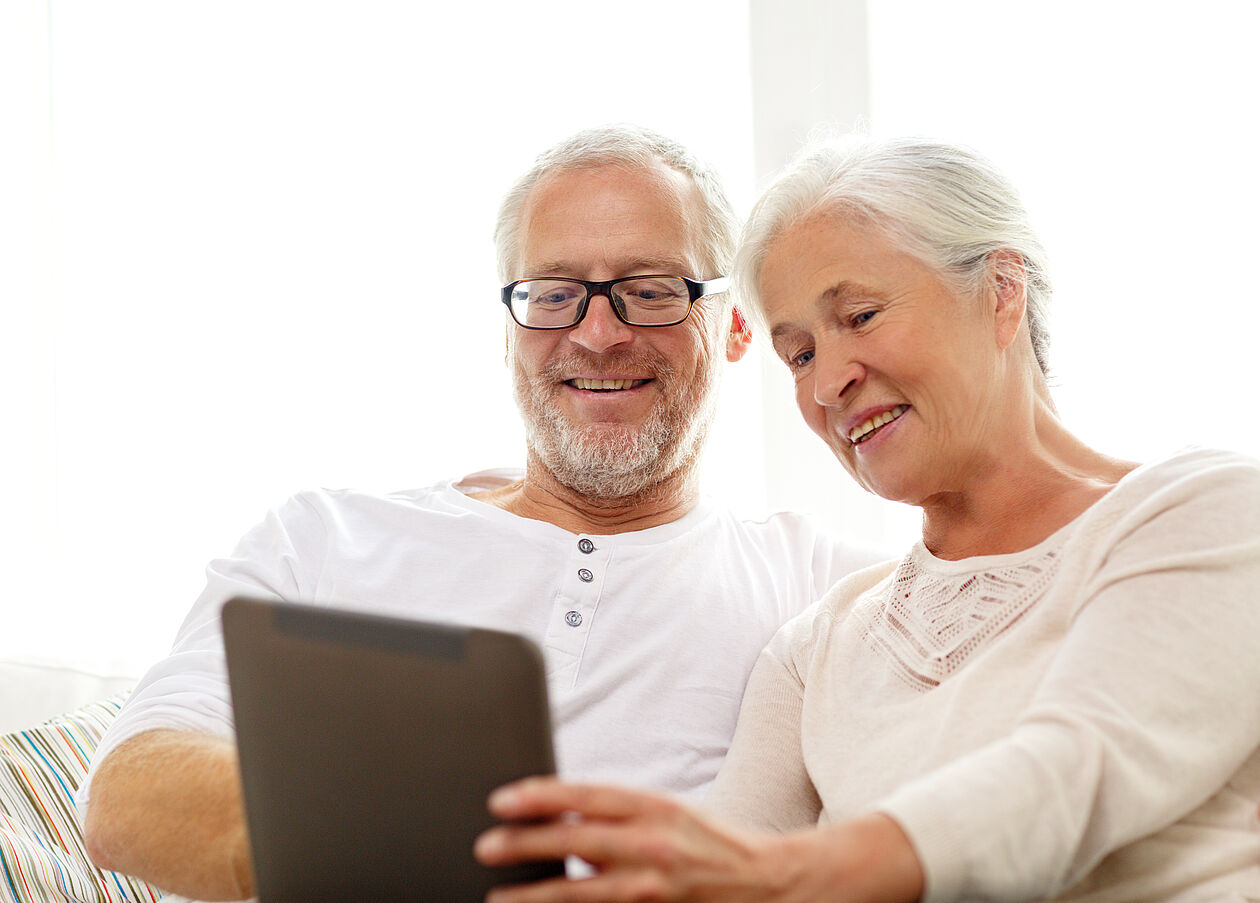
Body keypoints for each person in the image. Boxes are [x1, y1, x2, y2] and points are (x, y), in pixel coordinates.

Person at [77, 125, 886, 903]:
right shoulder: (324, 539)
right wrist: (408, 837)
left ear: (736, 324)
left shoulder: (819, 585)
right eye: (555, 294)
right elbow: (128, 797)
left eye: (649, 292)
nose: (597, 334)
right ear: (509, 328)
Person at [472, 136, 1260, 903]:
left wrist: (788, 875)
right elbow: (719, 868)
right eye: (800, 353)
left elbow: (1073, 771)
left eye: (860, 315)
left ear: (1001, 290)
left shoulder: (1205, 512)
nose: (828, 384)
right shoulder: (820, 646)